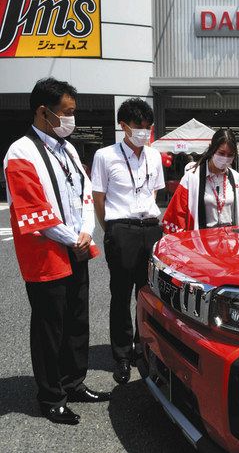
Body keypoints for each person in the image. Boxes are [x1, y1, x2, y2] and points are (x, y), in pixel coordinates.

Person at [3, 78, 110, 425]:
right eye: (66, 113)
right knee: (50, 327)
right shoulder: (21, 151)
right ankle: (51, 396)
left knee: (77, 320)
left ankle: (73, 382)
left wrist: (85, 230)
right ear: (43, 111)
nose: (71, 119)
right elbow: (33, 211)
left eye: (73, 113)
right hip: (47, 253)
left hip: (75, 246)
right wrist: (70, 236)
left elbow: (84, 191)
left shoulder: (68, 149)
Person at [91, 98, 165, 385]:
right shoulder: (105, 156)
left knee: (147, 293)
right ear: (123, 126)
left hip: (150, 227)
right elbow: (99, 198)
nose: (144, 132)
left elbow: (154, 193)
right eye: (138, 127)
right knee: (121, 294)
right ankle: (121, 355)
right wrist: (110, 228)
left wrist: (147, 221)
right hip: (121, 228)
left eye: (148, 127)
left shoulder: (154, 156)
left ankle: (141, 346)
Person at [162, 129, 239, 233]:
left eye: (230, 155)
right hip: (203, 241)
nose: (225, 158)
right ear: (212, 149)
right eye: (221, 153)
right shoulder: (193, 177)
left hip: (229, 241)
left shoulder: (235, 177)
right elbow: (177, 214)